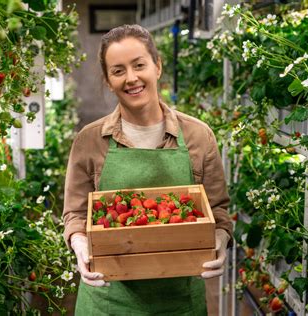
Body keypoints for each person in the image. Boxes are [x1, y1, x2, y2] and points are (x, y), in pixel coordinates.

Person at [63, 24, 232, 315]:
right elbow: (76, 214)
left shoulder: (198, 136)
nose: (131, 78)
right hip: (107, 301)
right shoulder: (90, 141)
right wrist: (80, 245)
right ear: (108, 79)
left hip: (179, 302)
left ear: (158, 66)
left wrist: (219, 239)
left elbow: (217, 211)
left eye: (139, 65)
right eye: (118, 71)